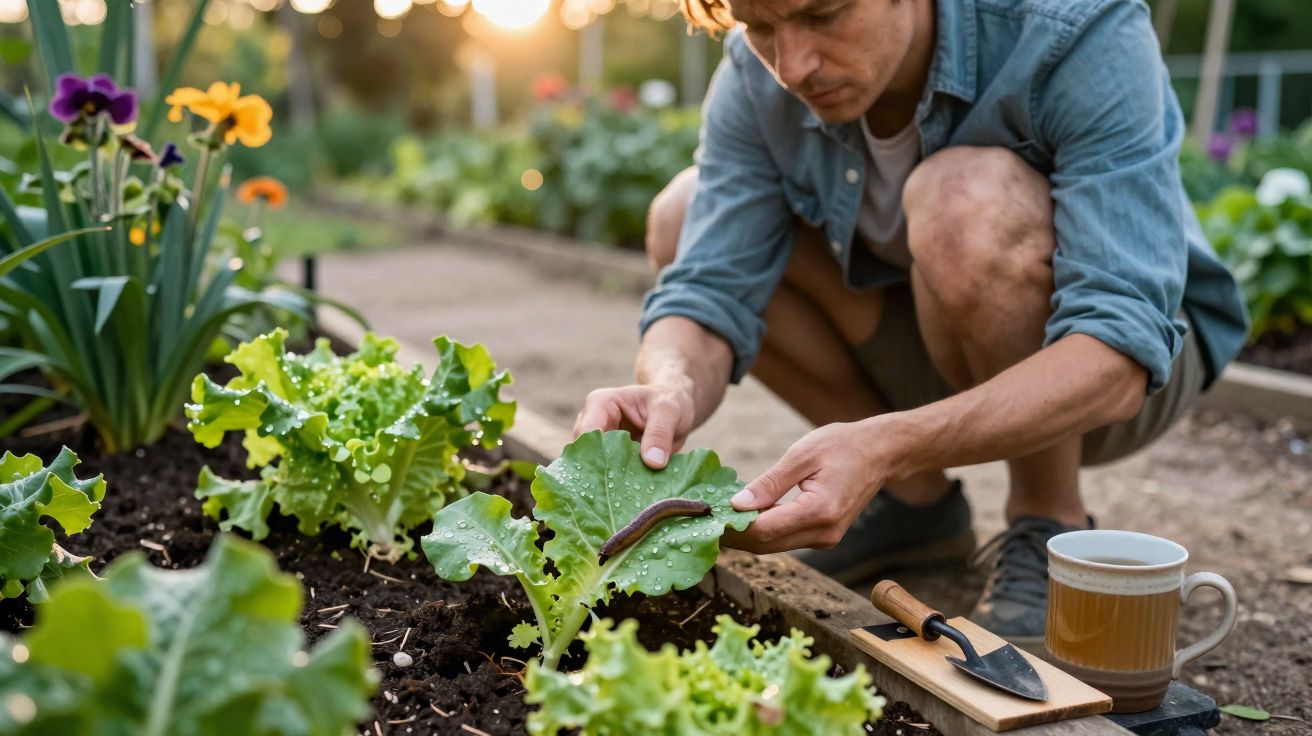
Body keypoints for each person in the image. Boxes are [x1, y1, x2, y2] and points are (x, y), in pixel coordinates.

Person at [573, 0, 1247, 648]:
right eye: (759, 25)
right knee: (683, 214)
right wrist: (671, 385)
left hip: (1115, 379)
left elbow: (1120, 352)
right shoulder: (755, 78)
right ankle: (913, 504)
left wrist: (888, 441)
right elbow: (708, 286)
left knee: (961, 202)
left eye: (822, 14)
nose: (794, 64)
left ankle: (1048, 519)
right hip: (931, 343)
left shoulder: (1071, 27)